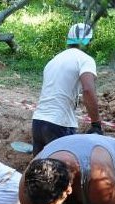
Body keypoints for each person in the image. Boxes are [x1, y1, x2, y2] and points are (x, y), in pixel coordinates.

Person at [31, 23, 102, 157]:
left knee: (37, 172)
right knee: (64, 174)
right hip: (60, 124)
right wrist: (96, 123)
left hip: (38, 122)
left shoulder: (53, 60)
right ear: (88, 41)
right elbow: (88, 89)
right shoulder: (85, 59)